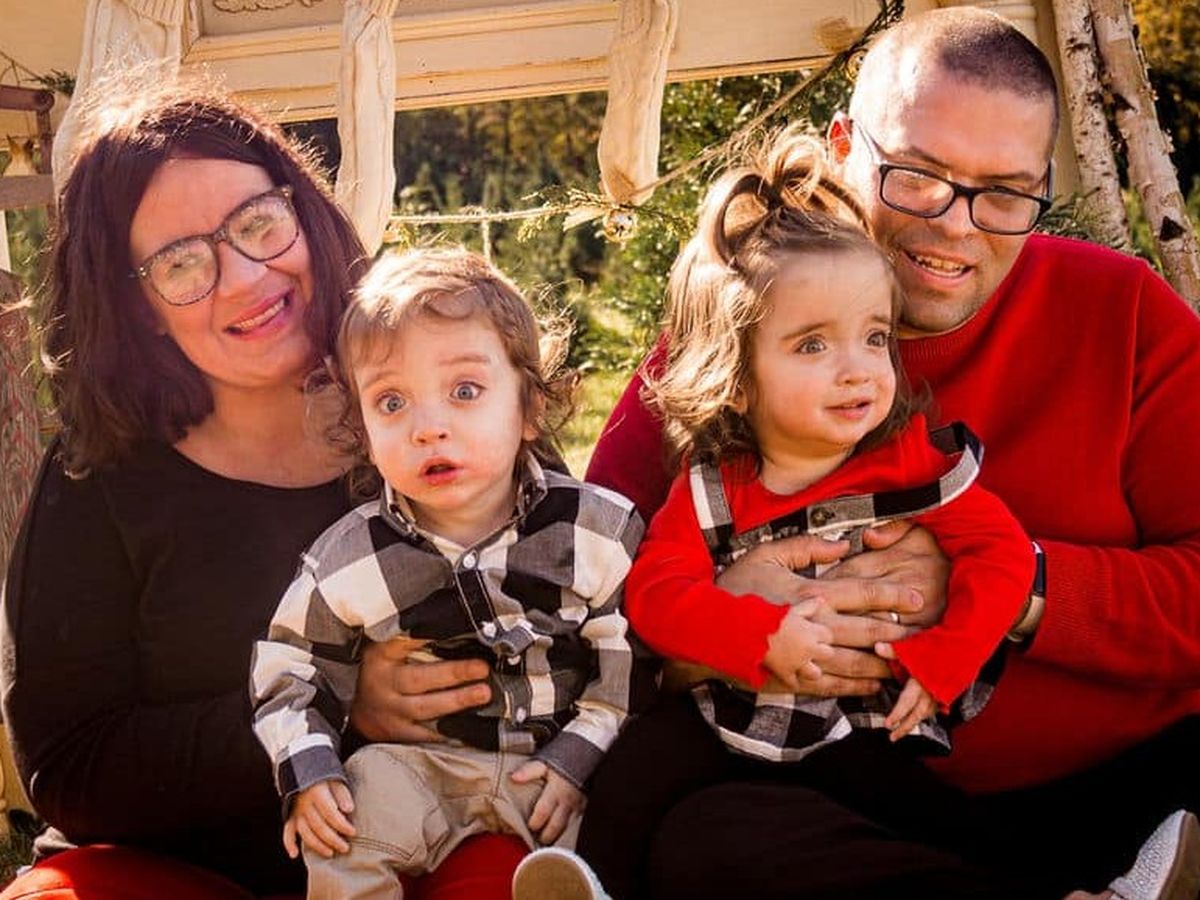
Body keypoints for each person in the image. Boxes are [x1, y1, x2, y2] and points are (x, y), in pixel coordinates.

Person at [582, 7, 1200, 900]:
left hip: (1131, 782)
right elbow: (587, 567)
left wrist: (1019, 587)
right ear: (845, 147)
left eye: (1005, 193)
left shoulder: (1126, 314)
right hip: (866, 796)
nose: (956, 226)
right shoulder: (744, 325)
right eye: (918, 177)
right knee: (702, 843)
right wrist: (714, 630)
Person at [0, 76, 525, 900]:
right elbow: (70, 768)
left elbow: (575, 585)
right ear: (137, 307)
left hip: (431, 839)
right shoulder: (97, 476)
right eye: (181, 263)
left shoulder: (437, 394)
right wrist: (330, 707)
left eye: (256, 223)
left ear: (303, 211)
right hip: (181, 869)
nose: (245, 277)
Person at [576, 130, 1038, 900]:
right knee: (635, 770)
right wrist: (757, 635)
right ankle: (587, 885)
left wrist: (945, 661)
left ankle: (1066, 887)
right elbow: (656, 596)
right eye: (813, 345)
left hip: (860, 722)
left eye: (875, 337)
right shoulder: (714, 487)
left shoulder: (910, 466)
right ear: (735, 378)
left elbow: (1005, 556)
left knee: (929, 815)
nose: (858, 369)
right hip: (727, 712)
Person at [249, 247, 652, 900]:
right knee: (348, 823)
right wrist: (309, 768)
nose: (428, 428)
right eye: (391, 402)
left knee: (620, 817)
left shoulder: (594, 531)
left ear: (529, 407)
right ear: (361, 431)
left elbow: (627, 660)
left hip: (552, 769)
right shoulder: (350, 558)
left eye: (465, 392)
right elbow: (289, 667)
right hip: (417, 769)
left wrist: (577, 756)